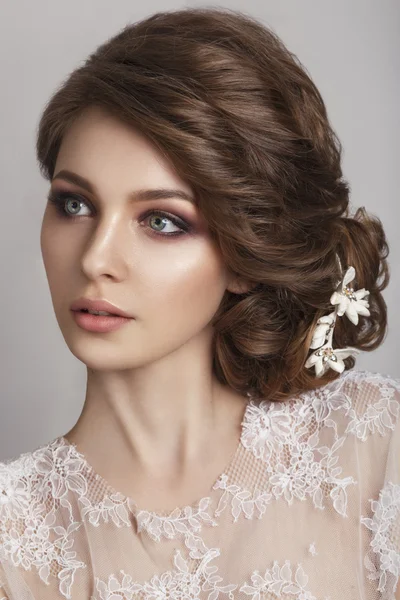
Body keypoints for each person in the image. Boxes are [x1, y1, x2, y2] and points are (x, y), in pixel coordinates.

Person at [0, 7, 399, 600]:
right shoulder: (15, 538)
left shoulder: (374, 449)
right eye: (75, 204)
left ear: (244, 253)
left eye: (161, 220)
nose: (94, 259)